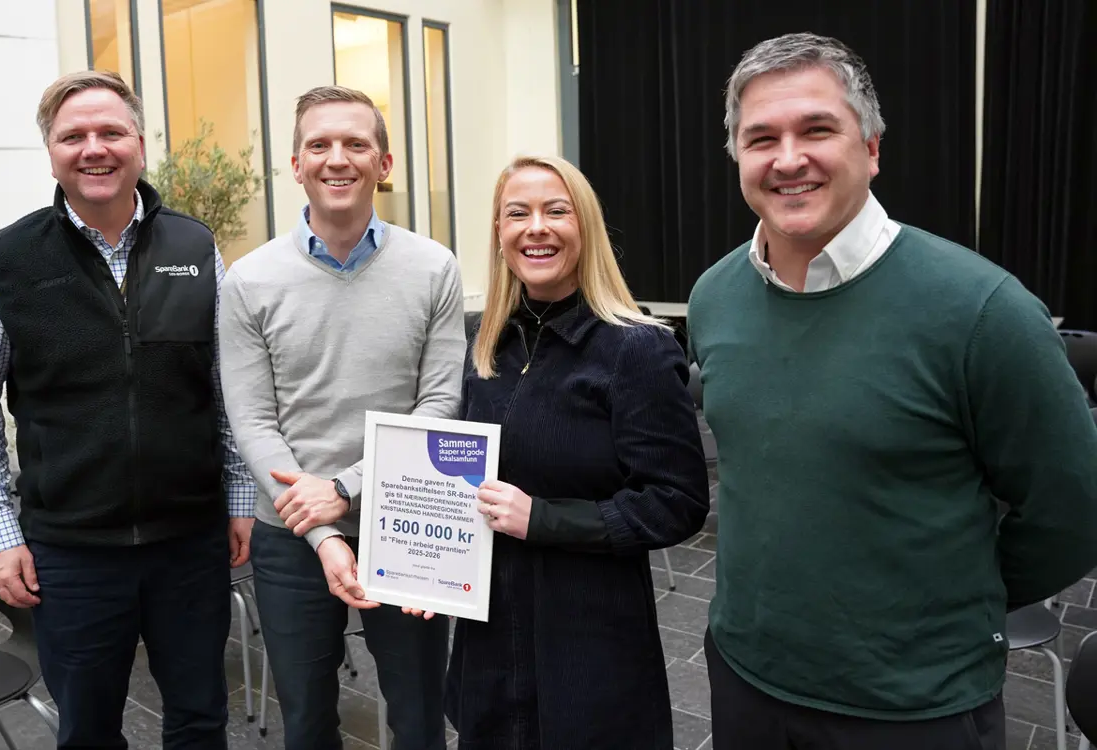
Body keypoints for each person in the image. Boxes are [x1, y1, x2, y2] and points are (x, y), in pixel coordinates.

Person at [688, 32, 1097, 750]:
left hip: (913, 708)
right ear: (738, 158)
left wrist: (955, 598)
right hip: (745, 679)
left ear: (872, 148)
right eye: (762, 138)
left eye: (817, 129)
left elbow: (1076, 505)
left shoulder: (982, 311)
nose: (788, 159)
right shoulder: (714, 297)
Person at [0, 71, 255, 749]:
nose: (94, 148)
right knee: (87, 731)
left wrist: (238, 495)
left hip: (189, 545)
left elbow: (228, 390)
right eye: (73, 135)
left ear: (140, 146)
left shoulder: (194, 249)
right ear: (51, 152)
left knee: (202, 721)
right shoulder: (3, 261)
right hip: (72, 552)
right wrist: (0, 536)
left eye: (111, 132)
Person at [403, 155, 711, 749]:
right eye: (517, 213)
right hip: (491, 641)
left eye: (555, 210)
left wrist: (541, 518)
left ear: (585, 227)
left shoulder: (637, 349)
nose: (535, 227)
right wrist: (427, 569)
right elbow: (465, 478)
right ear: (499, 234)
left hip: (589, 646)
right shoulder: (486, 345)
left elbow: (677, 502)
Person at [218, 85, 463, 750]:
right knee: (306, 721)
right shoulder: (248, 280)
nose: (338, 158)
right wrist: (323, 530)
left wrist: (348, 487)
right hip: (290, 534)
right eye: (319, 144)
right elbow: (252, 421)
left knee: (418, 714)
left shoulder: (433, 269)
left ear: (384, 163)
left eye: (357, 143)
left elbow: (439, 405)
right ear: (295, 164)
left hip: (407, 518)